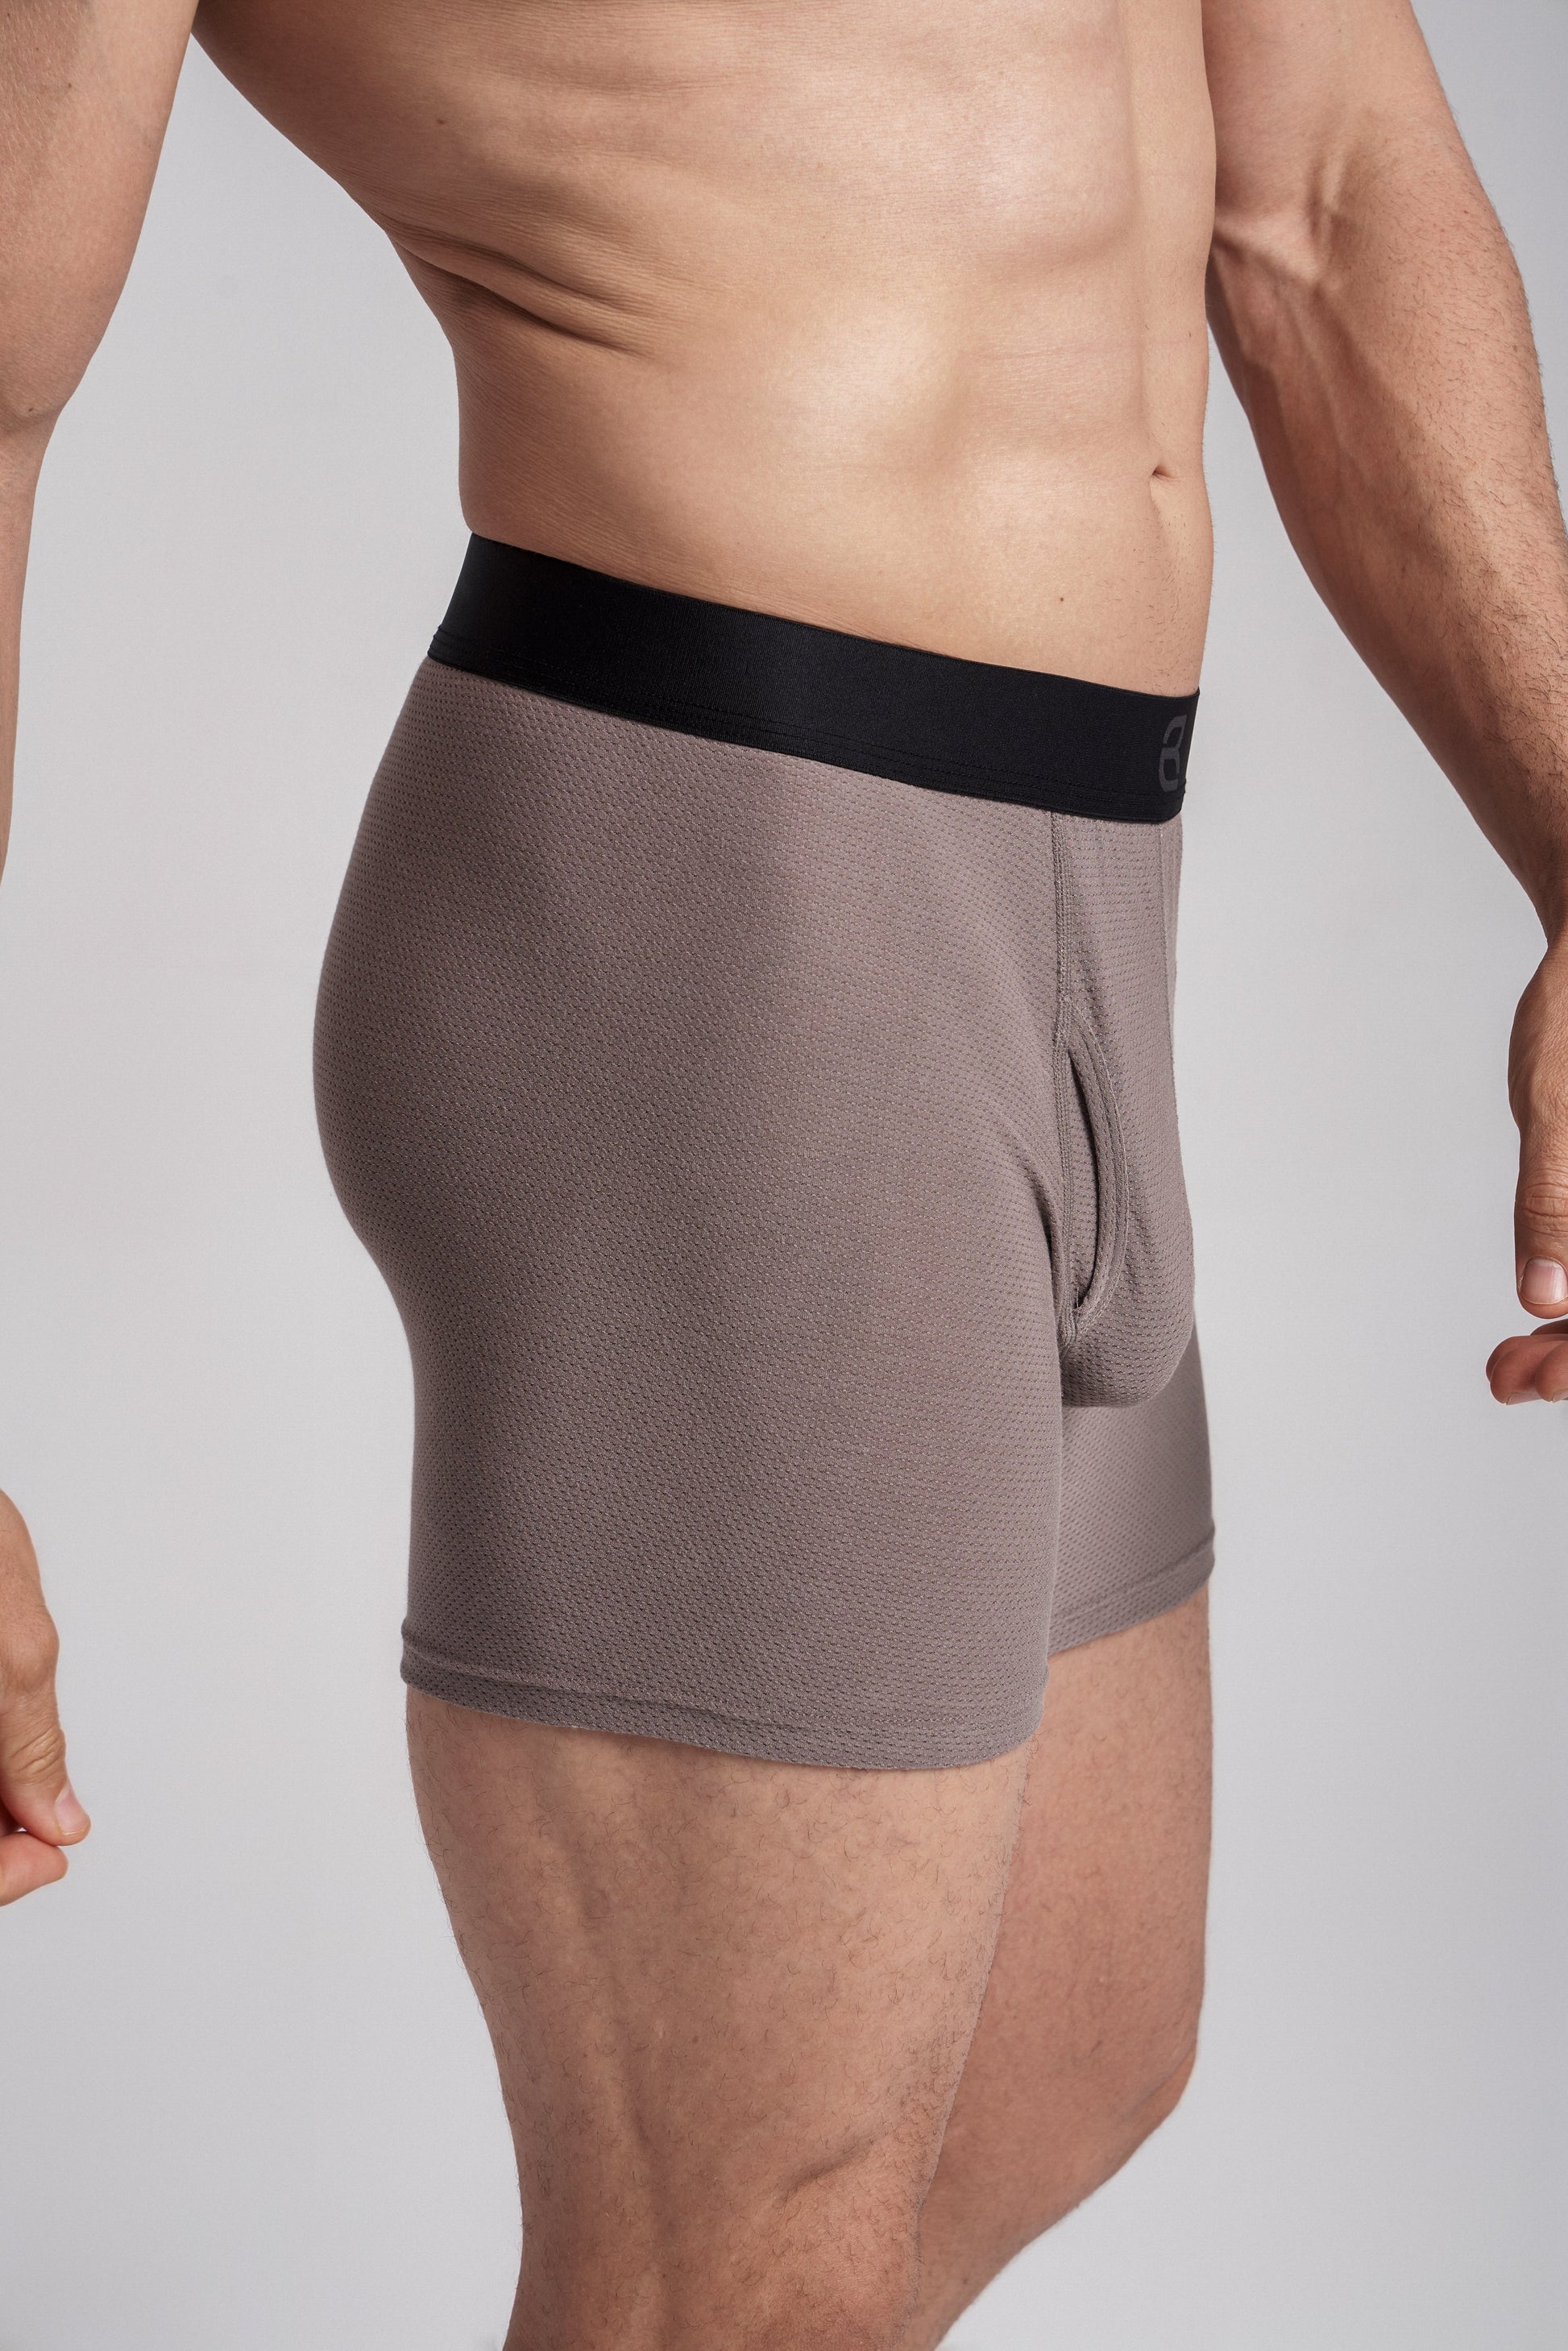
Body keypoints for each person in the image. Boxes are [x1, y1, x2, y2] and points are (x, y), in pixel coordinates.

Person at [2, 1, 1566, 2342]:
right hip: (706, 881)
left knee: (1064, 2068)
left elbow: (1323, 189)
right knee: (746, 2258)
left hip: (1085, 881)